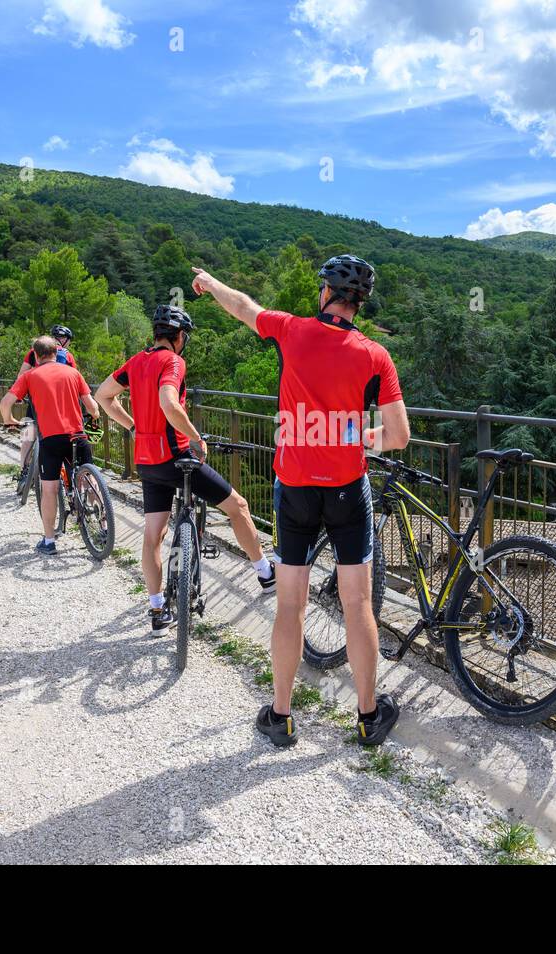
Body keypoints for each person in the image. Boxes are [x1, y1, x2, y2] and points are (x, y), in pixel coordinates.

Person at [191, 255, 410, 748]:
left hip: (294, 490)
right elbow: (398, 436)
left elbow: (244, 307)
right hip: (347, 489)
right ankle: (369, 717)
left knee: (291, 604)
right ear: (359, 302)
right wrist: (353, 434)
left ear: (326, 294)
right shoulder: (376, 355)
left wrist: (208, 281)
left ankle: (281, 715)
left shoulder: (291, 331)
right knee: (358, 606)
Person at [95, 305, 275, 633]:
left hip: (147, 462)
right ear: (179, 337)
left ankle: (157, 610)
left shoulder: (136, 362)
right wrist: (196, 438)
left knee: (153, 537)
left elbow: (103, 396)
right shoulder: (173, 361)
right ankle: (265, 573)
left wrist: (133, 426)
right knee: (238, 506)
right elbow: (169, 402)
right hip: (178, 460)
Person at [0, 335, 100, 554]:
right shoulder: (74, 373)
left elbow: (5, 403)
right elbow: (93, 407)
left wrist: (9, 420)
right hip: (78, 436)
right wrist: (94, 417)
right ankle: (102, 525)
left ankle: (49, 541)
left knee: (50, 489)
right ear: (57, 351)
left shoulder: (30, 376)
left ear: (35, 354)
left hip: (51, 439)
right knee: (88, 479)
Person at [16, 325, 78, 471]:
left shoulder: (33, 352)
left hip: (37, 402)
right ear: (64, 340)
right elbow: (75, 380)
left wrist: (20, 394)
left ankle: (23, 471)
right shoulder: (68, 355)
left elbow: (21, 375)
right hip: (62, 405)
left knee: (28, 435)